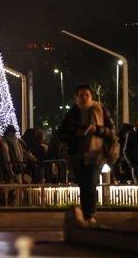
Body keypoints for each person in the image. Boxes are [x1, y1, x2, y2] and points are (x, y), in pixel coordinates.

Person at [57, 84, 115, 225]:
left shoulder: (100, 110)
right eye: (81, 95)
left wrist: (97, 130)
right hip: (78, 155)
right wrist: (75, 133)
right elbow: (61, 133)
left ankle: (90, 213)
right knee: (84, 184)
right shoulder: (73, 113)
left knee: (90, 182)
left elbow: (111, 131)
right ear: (76, 97)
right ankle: (87, 212)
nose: (84, 98)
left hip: (96, 153)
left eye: (86, 95)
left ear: (91, 96)